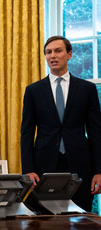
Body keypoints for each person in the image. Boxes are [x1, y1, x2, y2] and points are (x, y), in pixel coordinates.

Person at [21, 36, 101, 212]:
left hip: (81, 167)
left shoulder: (87, 89)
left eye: (58, 51)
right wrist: (28, 169)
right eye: (48, 52)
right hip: (44, 167)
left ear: (69, 54)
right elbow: (26, 133)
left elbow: (96, 133)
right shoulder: (33, 91)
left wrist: (98, 171)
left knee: (81, 220)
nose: (52, 56)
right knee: (46, 219)